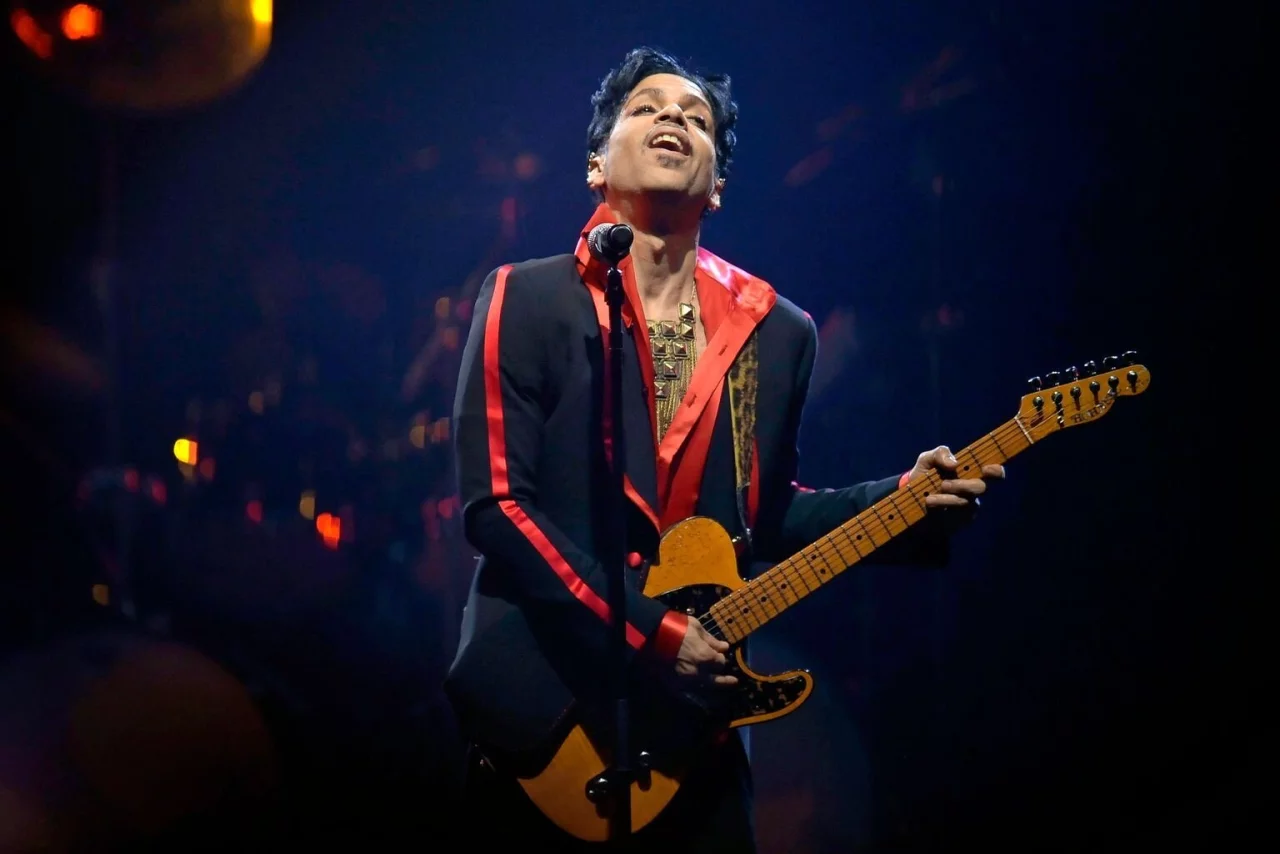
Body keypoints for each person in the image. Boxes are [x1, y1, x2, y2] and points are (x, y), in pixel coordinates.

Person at [444, 46, 1005, 852]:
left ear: (717, 187)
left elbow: (762, 517)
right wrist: (655, 633)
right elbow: (497, 507)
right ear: (596, 166)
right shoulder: (525, 297)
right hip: (549, 712)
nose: (673, 116)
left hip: (692, 733)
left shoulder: (778, 334)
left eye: (697, 118)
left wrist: (904, 502)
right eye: (647, 108)